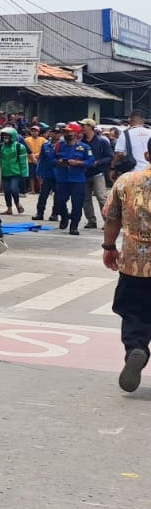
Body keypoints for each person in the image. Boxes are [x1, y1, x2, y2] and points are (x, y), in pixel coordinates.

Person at [100, 135, 151, 393]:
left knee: (133, 312)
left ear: (147, 156)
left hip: (134, 263)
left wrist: (109, 247)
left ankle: (137, 348)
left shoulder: (127, 181)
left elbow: (111, 217)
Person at [53, 123, 92, 235]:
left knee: (77, 204)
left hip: (77, 180)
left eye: (69, 132)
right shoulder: (59, 146)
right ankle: (64, 217)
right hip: (62, 178)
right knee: (59, 201)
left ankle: (74, 225)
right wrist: (58, 162)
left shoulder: (84, 147)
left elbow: (90, 162)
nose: (67, 134)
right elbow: (51, 159)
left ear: (76, 133)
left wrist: (78, 163)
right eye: (65, 132)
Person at [81, 120, 114, 230]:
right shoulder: (82, 141)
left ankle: (107, 221)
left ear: (90, 127)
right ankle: (91, 220)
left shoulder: (102, 141)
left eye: (84, 125)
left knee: (102, 198)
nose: (82, 127)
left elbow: (110, 156)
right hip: (84, 173)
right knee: (86, 199)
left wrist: (98, 162)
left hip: (98, 173)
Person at [0, 126, 29, 215]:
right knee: (6, 191)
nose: (5, 137)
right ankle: (9, 209)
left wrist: (25, 174)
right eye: (4, 135)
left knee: (13, 189)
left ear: (12, 136)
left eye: (7, 135)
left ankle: (17, 204)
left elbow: (23, 162)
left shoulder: (19, 147)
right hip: (4, 172)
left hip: (16, 173)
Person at [35, 127, 60, 222]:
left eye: (58, 133)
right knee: (43, 195)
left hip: (59, 175)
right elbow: (42, 160)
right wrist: (39, 172)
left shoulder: (63, 145)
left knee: (57, 196)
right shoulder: (46, 145)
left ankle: (55, 214)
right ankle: (40, 213)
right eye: (54, 132)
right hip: (48, 174)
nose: (56, 134)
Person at [116, 110, 151, 176]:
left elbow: (119, 154)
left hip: (132, 173)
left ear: (129, 119)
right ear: (144, 120)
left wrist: (112, 167)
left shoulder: (125, 134)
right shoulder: (150, 132)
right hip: (149, 171)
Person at [24, 122, 47, 194]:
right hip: (30, 160)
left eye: (36, 131)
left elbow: (45, 149)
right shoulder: (27, 139)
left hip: (40, 159)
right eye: (32, 131)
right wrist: (32, 156)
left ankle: (41, 189)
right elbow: (25, 150)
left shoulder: (43, 140)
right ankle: (32, 190)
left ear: (38, 132)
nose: (34, 132)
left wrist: (36, 155)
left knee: (40, 175)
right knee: (31, 176)